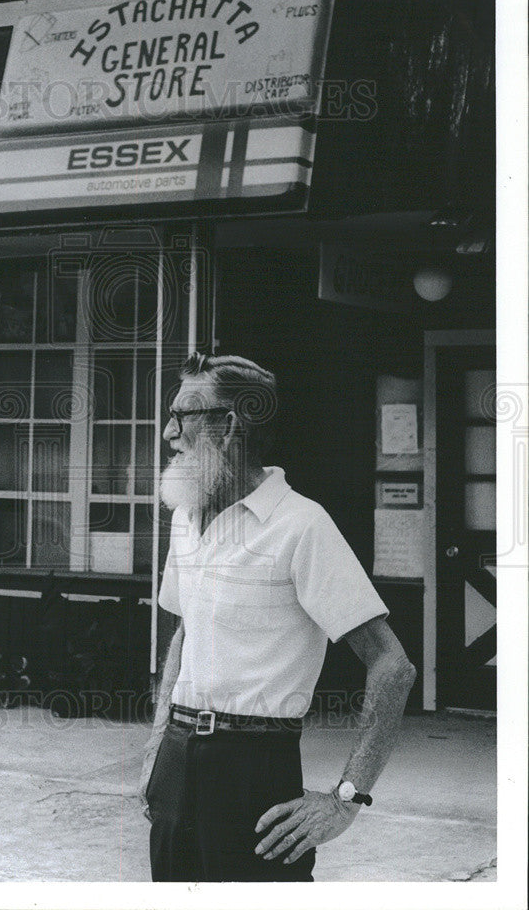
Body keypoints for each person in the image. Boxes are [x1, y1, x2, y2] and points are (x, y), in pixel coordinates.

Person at [140, 352, 416, 882]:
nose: (169, 432)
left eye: (183, 416)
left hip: (254, 768)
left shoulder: (301, 526)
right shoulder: (185, 516)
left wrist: (345, 798)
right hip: (176, 757)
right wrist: (156, 748)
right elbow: (183, 634)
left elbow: (392, 665)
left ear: (229, 425)